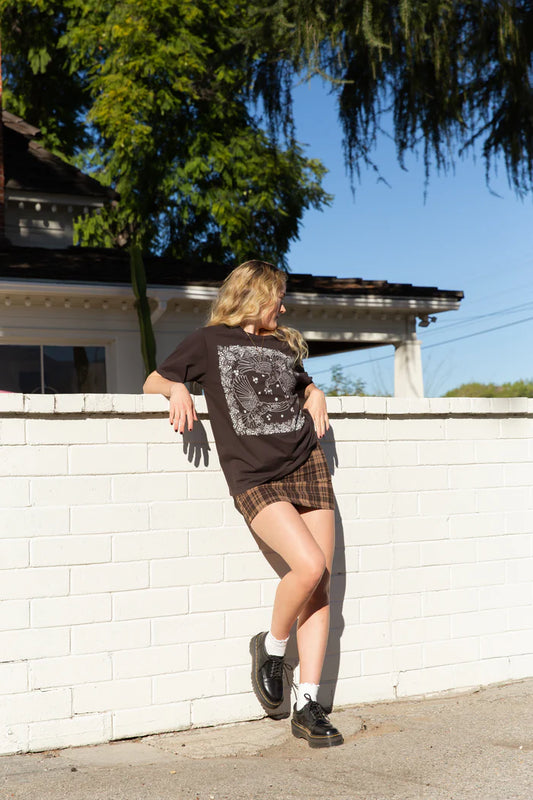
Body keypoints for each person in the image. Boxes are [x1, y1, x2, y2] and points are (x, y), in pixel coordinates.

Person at [143, 260, 343, 748]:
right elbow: (152, 380)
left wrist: (315, 391)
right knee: (309, 566)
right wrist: (176, 388)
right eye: (278, 297)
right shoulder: (208, 341)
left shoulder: (282, 345)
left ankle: (308, 704)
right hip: (254, 477)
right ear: (255, 295)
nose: (283, 308)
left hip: (308, 464)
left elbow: (300, 385)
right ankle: (272, 648)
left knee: (321, 585)